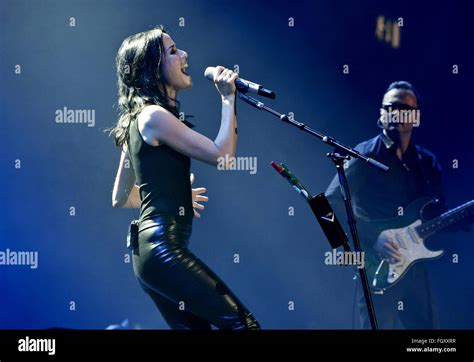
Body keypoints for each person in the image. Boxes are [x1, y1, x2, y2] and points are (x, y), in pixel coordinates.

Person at [110, 26, 260, 330]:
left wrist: (171, 193)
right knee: (243, 325)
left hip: (147, 256)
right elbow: (223, 156)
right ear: (152, 67)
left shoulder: (136, 120)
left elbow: (120, 197)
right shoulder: (153, 116)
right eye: (173, 51)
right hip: (163, 248)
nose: (185, 55)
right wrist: (228, 99)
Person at [325, 81, 444, 329]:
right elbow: (329, 203)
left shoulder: (426, 161)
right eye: (390, 107)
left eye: (404, 108)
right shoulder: (364, 155)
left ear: (416, 117)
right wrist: (374, 236)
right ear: (381, 114)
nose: (396, 113)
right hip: (376, 266)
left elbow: (438, 213)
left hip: (415, 266)